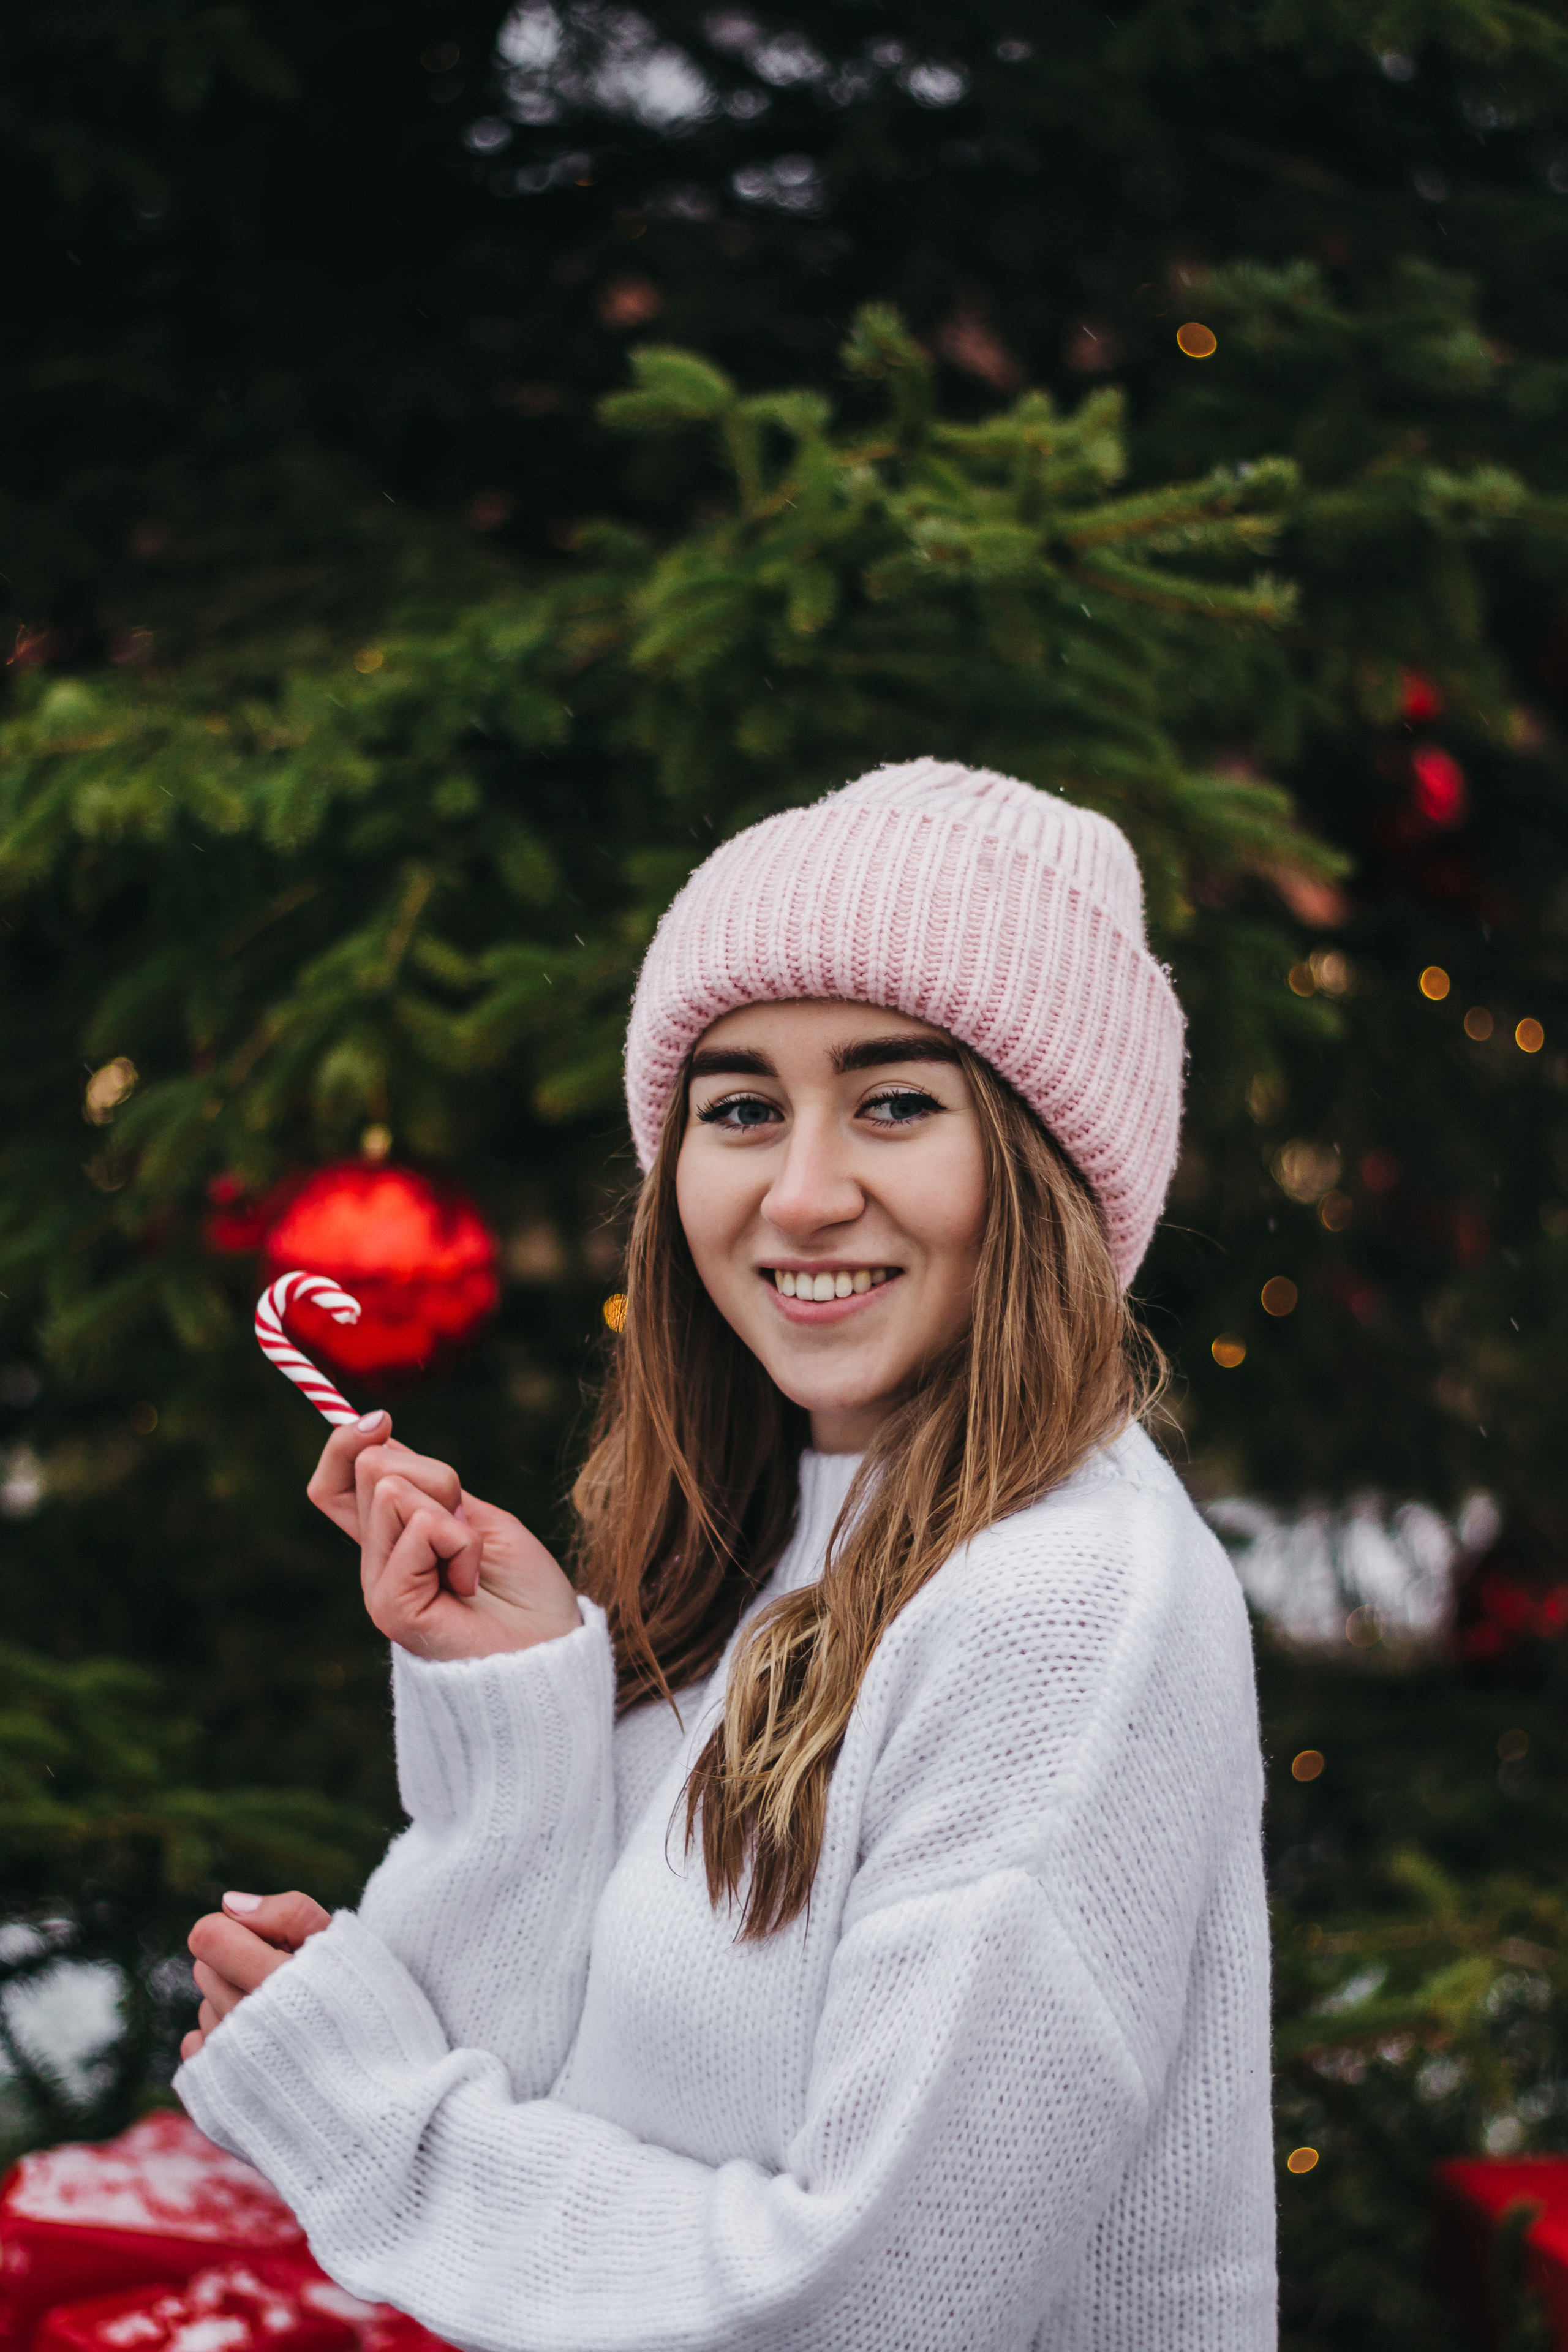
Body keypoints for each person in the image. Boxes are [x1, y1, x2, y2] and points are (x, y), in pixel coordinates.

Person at [175, 759, 1276, 2350]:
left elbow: (876, 2301)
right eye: (743, 1108)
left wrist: (364, 2113)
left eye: (896, 1103)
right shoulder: (757, 1547)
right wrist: (522, 1725)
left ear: (1048, 1173)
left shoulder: (1061, 1606)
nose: (803, 1194)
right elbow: (547, 2112)